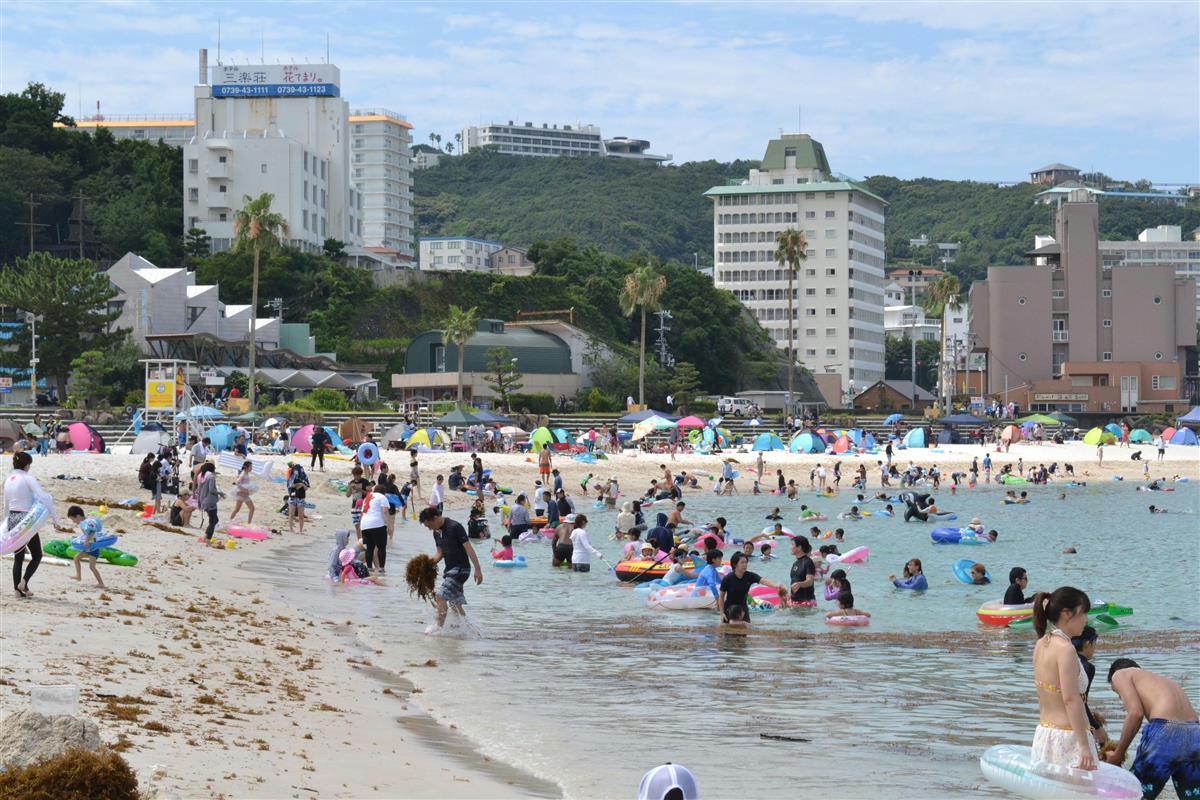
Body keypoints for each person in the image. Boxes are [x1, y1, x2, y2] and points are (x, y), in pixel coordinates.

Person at [1104, 658, 1200, 797]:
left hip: (1166, 732)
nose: (1121, 697)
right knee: (1193, 796)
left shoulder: (1119, 675)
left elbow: (1136, 713)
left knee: (1134, 794)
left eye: (1117, 692)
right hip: (1195, 733)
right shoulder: (1162, 681)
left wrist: (1118, 754)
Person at [1030, 586, 1097, 771]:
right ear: (1067, 613)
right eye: (1084, 613)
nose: (1086, 619)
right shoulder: (1065, 649)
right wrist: (1083, 746)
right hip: (1069, 738)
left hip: (1045, 735)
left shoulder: (1041, 643)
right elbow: (1070, 699)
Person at [420, 507, 483, 633]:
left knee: (440, 595)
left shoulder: (455, 527)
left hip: (462, 569)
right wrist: (425, 566)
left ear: (435, 518)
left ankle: (438, 627)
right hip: (450, 571)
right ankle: (467, 629)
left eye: (429, 525)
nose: (429, 529)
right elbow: (439, 553)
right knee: (455, 604)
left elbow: (469, 548)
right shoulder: (436, 532)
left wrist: (478, 570)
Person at [718, 551, 784, 626]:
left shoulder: (749, 576)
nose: (745, 565)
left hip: (743, 607)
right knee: (728, 632)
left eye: (746, 562)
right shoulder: (728, 578)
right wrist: (721, 613)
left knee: (746, 630)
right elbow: (721, 597)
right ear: (735, 564)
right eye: (742, 562)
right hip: (730, 608)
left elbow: (763, 581)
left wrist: (776, 585)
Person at [1071, 627, 1109, 746]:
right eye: (1094, 644)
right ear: (1087, 644)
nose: (1094, 649)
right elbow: (1081, 701)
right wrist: (1097, 727)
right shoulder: (1087, 667)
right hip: (1076, 722)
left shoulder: (1066, 661)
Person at [359, 476, 391, 572]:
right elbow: (385, 512)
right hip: (377, 524)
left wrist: (362, 528)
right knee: (381, 547)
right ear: (383, 492)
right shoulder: (382, 497)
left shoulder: (367, 497)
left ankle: (369, 568)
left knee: (370, 547)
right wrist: (388, 525)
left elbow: (362, 513)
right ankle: (381, 568)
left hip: (364, 524)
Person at [195, 462, 220, 545]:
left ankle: (206, 536)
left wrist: (199, 502)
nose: (215, 469)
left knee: (214, 520)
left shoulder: (200, 476)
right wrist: (220, 493)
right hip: (210, 501)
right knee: (213, 521)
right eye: (214, 468)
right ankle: (208, 540)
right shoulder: (211, 477)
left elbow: (198, 491)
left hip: (203, 501)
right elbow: (212, 490)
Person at [788, 536, 817, 607]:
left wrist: (799, 584)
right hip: (795, 601)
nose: (790, 547)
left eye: (792, 545)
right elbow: (794, 581)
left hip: (806, 602)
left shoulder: (808, 562)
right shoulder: (796, 563)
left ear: (799, 547)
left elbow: (810, 581)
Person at [229, 460, 256, 527]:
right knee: (237, 509)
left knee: (251, 508)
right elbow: (237, 483)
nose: (251, 468)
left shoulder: (246, 473)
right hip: (241, 494)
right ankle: (230, 522)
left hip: (244, 495)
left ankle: (249, 523)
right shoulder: (243, 474)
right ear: (246, 467)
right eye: (250, 467)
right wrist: (244, 490)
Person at [286, 462, 310, 534]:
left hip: (301, 497)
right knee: (291, 513)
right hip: (292, 497)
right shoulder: (291, 475)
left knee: (301, 515)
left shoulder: (304, 476)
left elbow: (306, 487)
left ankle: (301, 530)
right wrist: (299, 484)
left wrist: (301, 484)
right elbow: (291, 485)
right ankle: (291, 529)